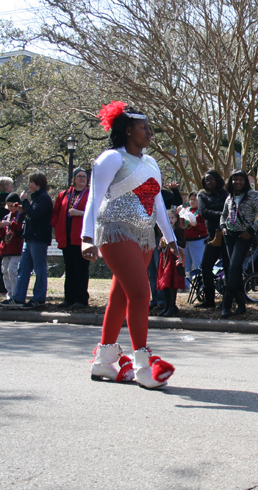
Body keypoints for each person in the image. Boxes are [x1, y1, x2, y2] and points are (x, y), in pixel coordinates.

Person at [82, 101, 177, 389]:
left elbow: (157, 201)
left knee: (121, 297)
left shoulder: (150, 163)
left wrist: (170, 238)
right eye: (143, 127)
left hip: (145, 235)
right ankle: (143, 365)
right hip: (116, 231)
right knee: (140, 294)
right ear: (126, 130)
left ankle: (104, 361)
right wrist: (87, 238)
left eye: (150, 128)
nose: (149, 132)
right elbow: (94, 198)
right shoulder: (111, 158)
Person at [219, 170, 258, 318]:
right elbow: (223, 215)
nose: (238, 182)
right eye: (235, 180)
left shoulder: (252, 196)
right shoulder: (229, 197)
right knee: (235, 271)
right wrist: (223, 227)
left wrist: (251, 230)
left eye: (241, 180)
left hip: (243, 237)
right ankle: (241, 305)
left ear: (245, 182)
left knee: (233, 269)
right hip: (229, 236)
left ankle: (226, 305)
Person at [4, 172, 53, 310]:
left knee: (39, 269)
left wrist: (25, 202)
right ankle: (18, 297)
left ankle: (39, 298)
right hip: (29, 237)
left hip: (38, 238)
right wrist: (24, 208)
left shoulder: (44, 198)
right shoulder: (36, 198)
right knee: (23, 268)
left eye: (31, 182)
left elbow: (35, 214)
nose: (29, 185)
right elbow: (31, 213)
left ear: (38, 183)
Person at [51, 167, 91, 309]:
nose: (82, 179)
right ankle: (69, 299)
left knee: (81, 270)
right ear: (73, 179)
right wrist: (57, 226)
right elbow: (55, 213)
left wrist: (80, 213)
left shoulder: (91, 194)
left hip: (81, 238)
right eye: (79, 176)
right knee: (70, 269)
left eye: (84, 177)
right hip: (66, 238)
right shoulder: (64, 194)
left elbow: (96, 213)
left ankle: (81, 299)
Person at [197, 170, 228, 309]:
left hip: (227, 235)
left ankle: (227, 300)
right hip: (212, 236)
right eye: (206, 180)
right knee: (206, 266)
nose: (208, 182)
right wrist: (222, 214)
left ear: (217, 180)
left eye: (211, 179)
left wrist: (220, 215)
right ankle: (209, 300)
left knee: (228, 267)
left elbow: (232, 211)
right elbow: (204, 213)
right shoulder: (202, 195)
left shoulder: (226, 194)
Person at [0, 193, 24, 304]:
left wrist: (10, 224)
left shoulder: (21, 216)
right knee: (5, 271)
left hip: (16, 249)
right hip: (6, 249)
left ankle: (16, 294)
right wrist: (0, 226)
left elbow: (20, 230)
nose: (11, 208)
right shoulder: (7, 216)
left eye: (13, 205)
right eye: (9, 206)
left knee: (12, 270)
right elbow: (2, 234)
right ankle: (9, 293)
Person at [157, 208, 186, 317]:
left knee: (172, 283)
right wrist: (162, 243)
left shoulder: (178, 230)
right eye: (168, 218)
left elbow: (183, 244)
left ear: (176, 219)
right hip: (165, 259)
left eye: (172, 217)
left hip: (175, 260)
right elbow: (161, 247)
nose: (170, 220)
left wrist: (171, 241)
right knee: (165, 283)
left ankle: (172, 306)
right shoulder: (163, 230)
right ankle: (167, 305)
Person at [181, 191, 208, 288]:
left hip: (197, 241)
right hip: (185, 241)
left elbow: (206, 227)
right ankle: (185, 285)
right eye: (191, 199)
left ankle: (199, 285)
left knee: (197, 264)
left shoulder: (201, 211)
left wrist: (197, 225)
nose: (192, 201)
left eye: (194, 199)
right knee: (186, 264)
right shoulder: (185, 211)